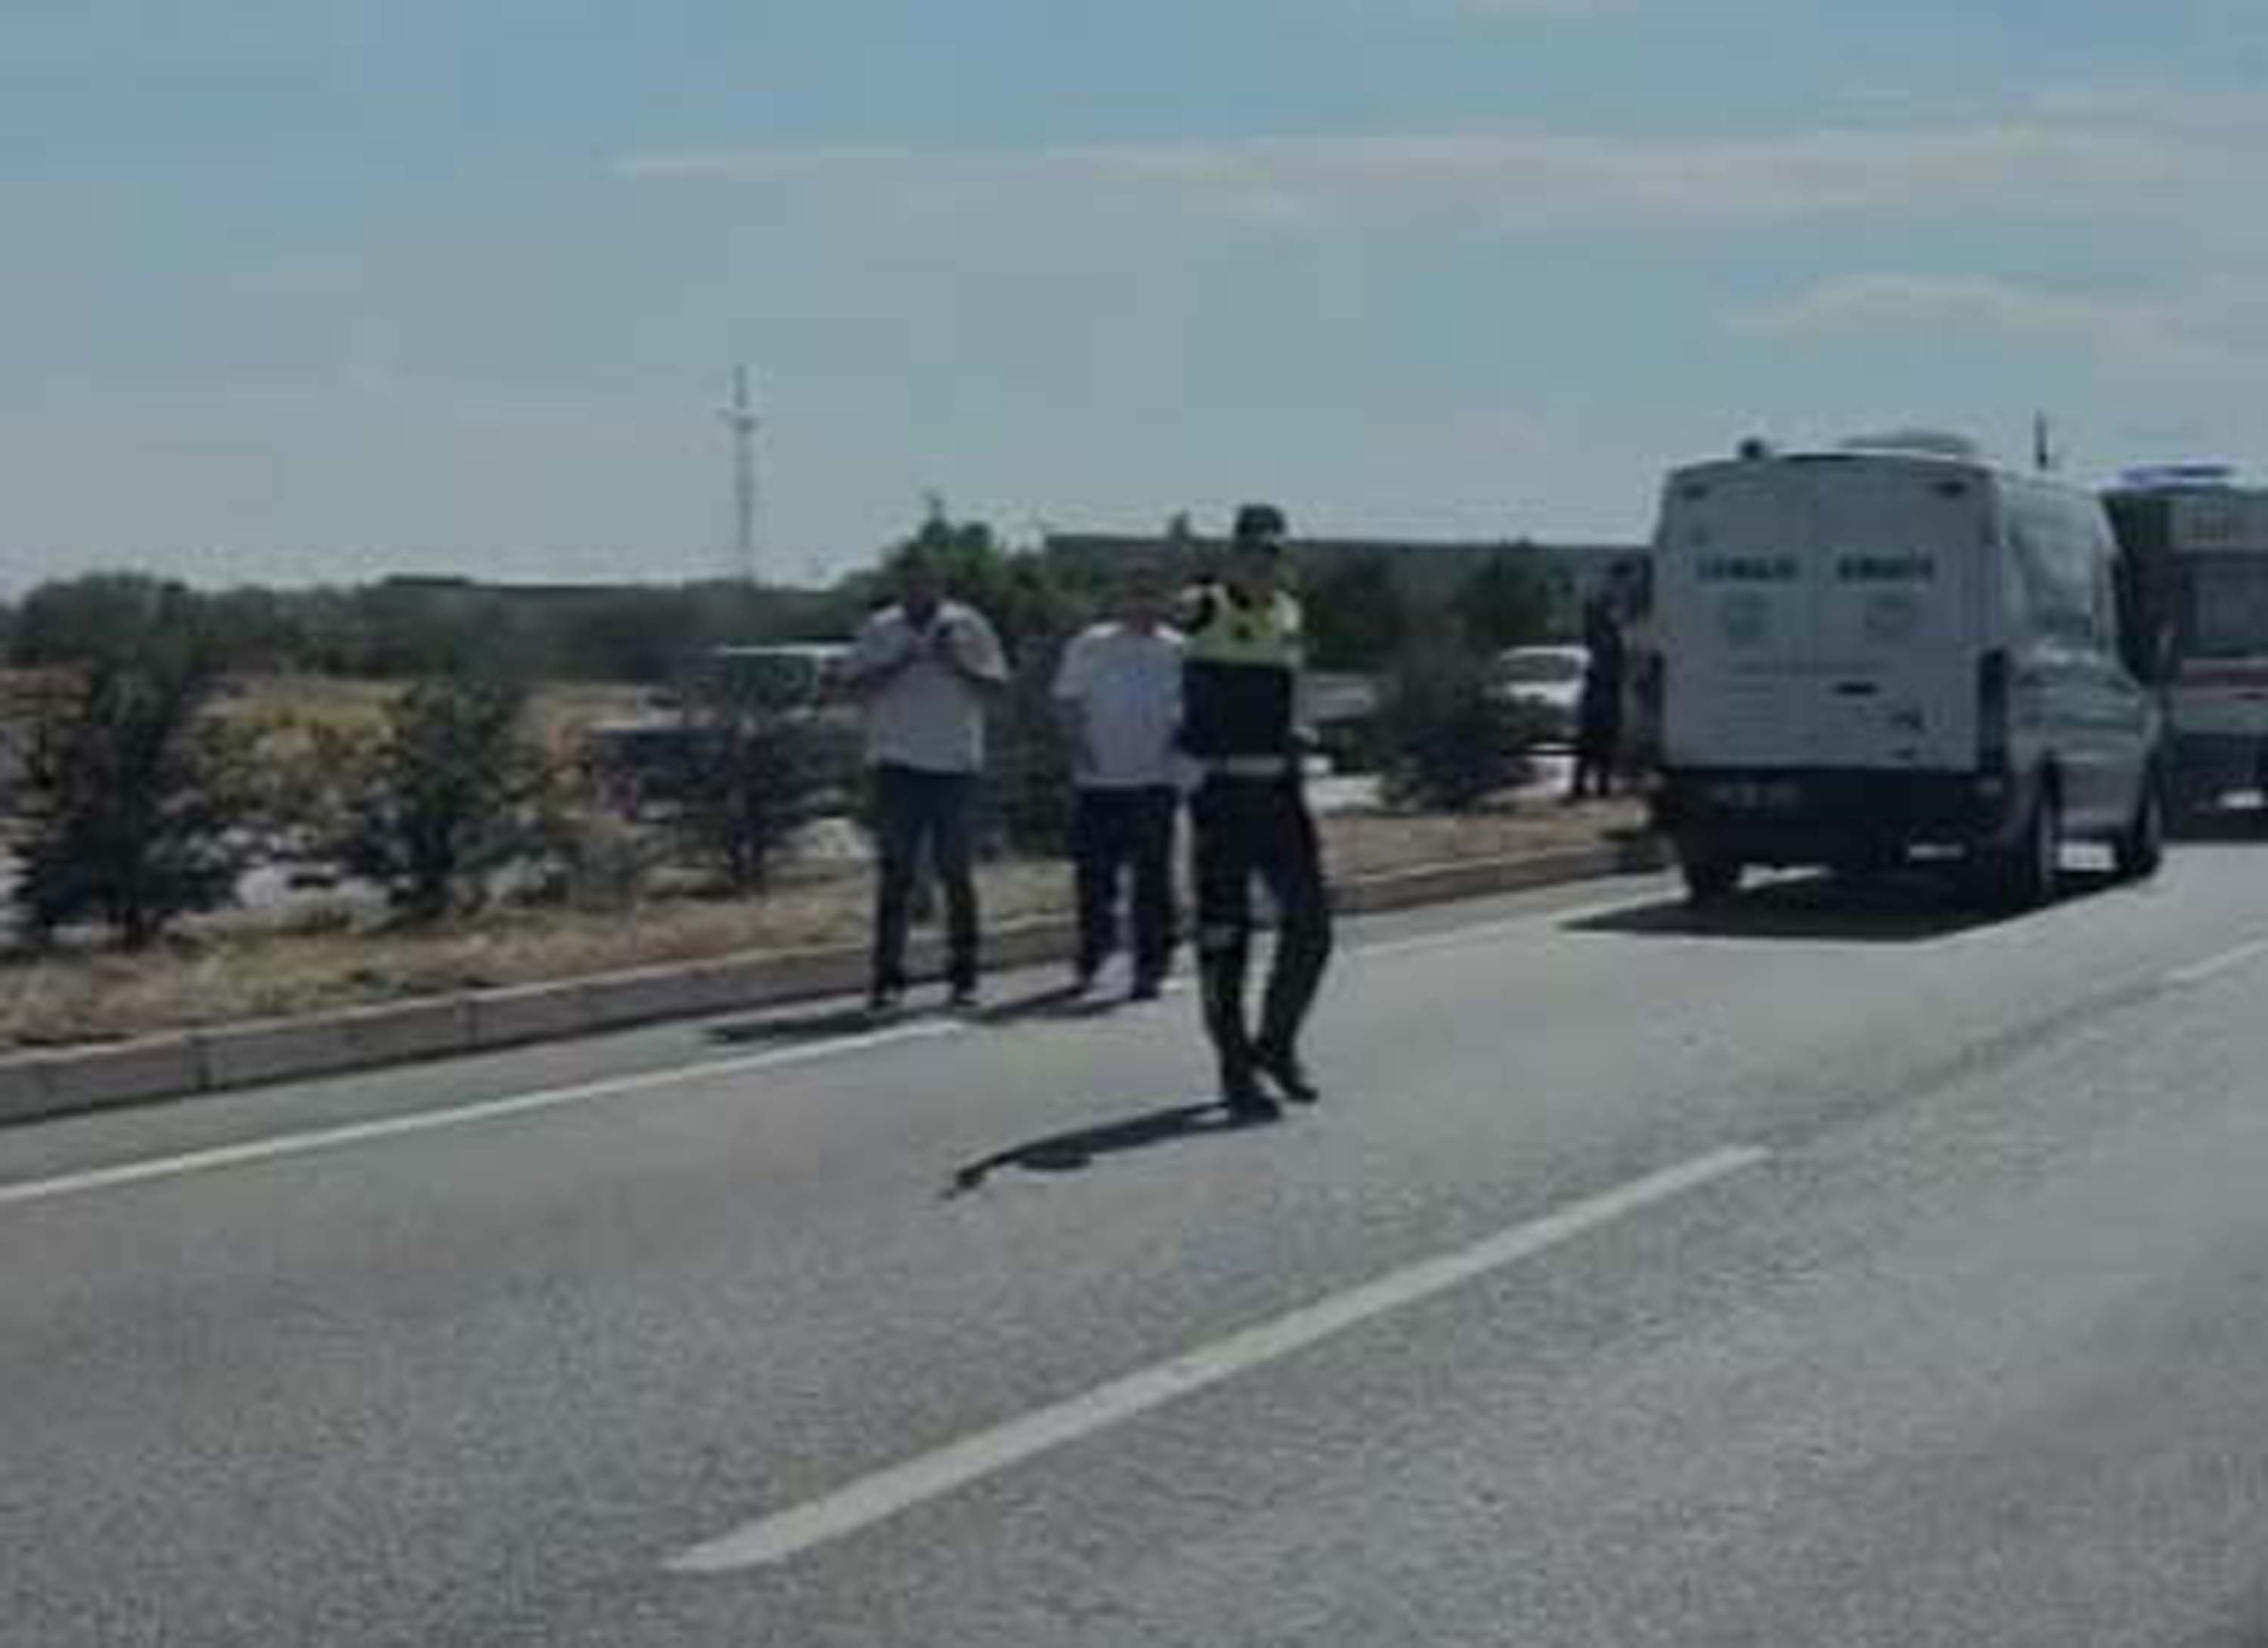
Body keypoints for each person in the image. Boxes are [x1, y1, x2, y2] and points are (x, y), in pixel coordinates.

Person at [1178, 503, 1334, 1119]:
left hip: (1280, 793)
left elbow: (1293, 687)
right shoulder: (1207, 607)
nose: (1266, 564)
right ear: (1234, 554)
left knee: (1313, 926)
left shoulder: (1289, 613)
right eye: (1254, 552)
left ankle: (1276, 1043)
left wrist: (1299, 729)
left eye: (1275, 553)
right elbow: (1173, 624)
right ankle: (1234, 1067)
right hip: (1222, 794)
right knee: (1225, 939)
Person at [837, 549, 1009, 1014]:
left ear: (940, 583)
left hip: (955, 767)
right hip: (897, 765)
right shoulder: (879, 628)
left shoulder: (968, 625)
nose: (919, 591)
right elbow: (852, 689)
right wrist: (901, 661)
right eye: (910, 582)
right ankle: (888, 980)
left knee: (957, 876)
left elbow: (995, 689)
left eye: (927, 581)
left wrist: (954, 662)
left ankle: (964, 978)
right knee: (896, 876)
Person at [1052, 557, 1186, 1002]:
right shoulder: (1091, 644)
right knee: (1095, 881)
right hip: (1099, 781)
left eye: (1151, 594)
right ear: (1120, 598)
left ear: (1163, 600)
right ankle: (1092, 958)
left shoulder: (1178, 650)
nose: (1142, 603)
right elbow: (1067, 700)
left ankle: (1151, 966)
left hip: (1155, 779)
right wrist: (1078, 749)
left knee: (1152, 881)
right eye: (1134, 593)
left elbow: (1193, 709)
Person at [1569, 585, 1627, 802]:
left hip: (1604, 698)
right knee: (1592, 745)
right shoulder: (1604, 637)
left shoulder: (1612, 637)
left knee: (1601, 746)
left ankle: (1597, 785)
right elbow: (1591, 627)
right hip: (1599, 698)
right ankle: (1586, 786)